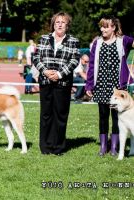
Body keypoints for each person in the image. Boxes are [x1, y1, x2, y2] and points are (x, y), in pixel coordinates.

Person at [85, 16, 134, 156]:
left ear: (113, 27)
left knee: (117, 118)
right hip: (100, 86)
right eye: (101, 26)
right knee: (102, 116)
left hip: (118, 87)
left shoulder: (124, 40)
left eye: (106, 26)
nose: (102, 29)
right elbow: (92, 65)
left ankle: (114, 147)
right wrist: (89, 85)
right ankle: (103, 147)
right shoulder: (97, 43)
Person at [33, 12, 80, 155]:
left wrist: (59, 74)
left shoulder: (74, 41)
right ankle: (45, 147)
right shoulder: (43, 39)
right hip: (46, 81)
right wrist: (45, 72)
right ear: (53, 24)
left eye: (63, 22)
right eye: (57, 22)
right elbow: (36, 57)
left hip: (63, 83)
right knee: (46, 114)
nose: (59, 24)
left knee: (60, 115)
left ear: (67, 25)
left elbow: (74, 60)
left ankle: (58, 147)